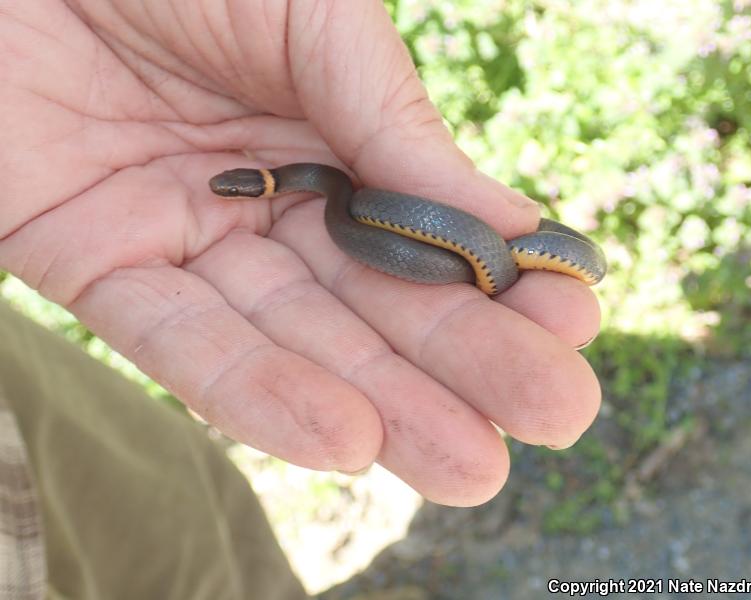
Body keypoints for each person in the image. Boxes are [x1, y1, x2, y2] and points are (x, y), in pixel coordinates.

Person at [0, 0, 602, 597]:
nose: (228, 191)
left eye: (238, 189)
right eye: (238, 190)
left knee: (200, 527)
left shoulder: (341, 197)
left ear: (261, 186)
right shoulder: (339, 207)